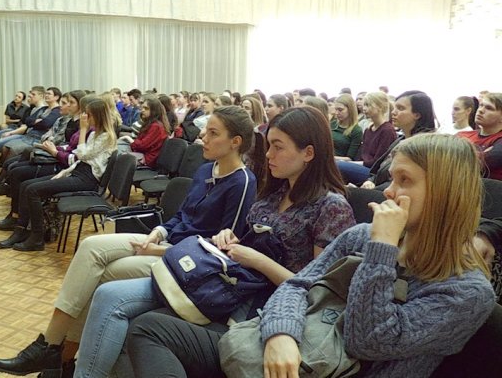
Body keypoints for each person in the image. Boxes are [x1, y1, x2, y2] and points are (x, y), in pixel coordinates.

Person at [127, 133, 495, 378]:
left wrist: (382, 250)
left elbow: (367, 341)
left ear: (445, 194)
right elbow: (296, 286)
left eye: (405, 181)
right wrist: (281, 335)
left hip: (335, 370)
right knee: (149, 328)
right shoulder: (361, 236)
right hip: (296, 343)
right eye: (392, 179)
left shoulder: (466, 291)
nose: (388, 191)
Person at [76, 106, 355, 378]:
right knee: (120, 312)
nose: (268, 154)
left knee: (141, 325)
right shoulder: (273, 195)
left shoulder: (331, 207)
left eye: (278, 147)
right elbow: (247, 244)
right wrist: (231, 239)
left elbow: (319, 293)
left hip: (265, 313)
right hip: (231, 287)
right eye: (269, 145)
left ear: (308, 153)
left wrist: (258, 260)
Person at [0, 106, 259, 377]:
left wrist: (159, 249)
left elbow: (220, 249)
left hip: (187, 261)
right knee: (90, 247)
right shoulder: (205, 170)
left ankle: (62, 356)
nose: (203, 137)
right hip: (167, 243)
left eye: (213, 133)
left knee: (105, 274)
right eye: (206, 131)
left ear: (235, 142)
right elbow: (181, 216)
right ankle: (49, 344)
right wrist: (159, 233)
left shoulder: (242, 182)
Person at [0, 95, 117, 251]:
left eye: (88, 115)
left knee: (33, 190)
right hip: (79, 172)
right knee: (26, 185)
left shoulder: (106, 136)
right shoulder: (95, 134)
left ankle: (36, 237)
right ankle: (20, 230)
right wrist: (64, 168)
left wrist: (83, 130)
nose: (84, 118)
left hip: (87, 179)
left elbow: (82, 155)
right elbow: (80, 158)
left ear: (98, 116)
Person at [359, 90, 437, 190]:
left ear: (417, 115)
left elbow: (403, 183)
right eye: (395, 107)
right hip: (379, 186)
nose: (393, 112)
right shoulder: (401, 140)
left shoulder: (422, 147)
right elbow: (377, 169)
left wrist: (371, 189)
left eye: (400, 108)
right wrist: (370, 181)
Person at [336, 91, 398, 185]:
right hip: (364, 166)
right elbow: (363, 155)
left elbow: (377, 163)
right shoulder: (368, 129)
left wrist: (351, 163)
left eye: (368, 105)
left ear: (380, 107)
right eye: (364, 105)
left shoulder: (387, 131)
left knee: (337, 165)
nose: (364, 108)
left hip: (373, 173)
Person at [457, 92, 502, 180]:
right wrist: (482, 154)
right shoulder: (462, 135)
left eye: (489, 108)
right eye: (481, 105)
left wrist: (459, 155)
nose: (480, 110)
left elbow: (488, 162)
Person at [117, 96, 170, 168]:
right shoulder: (150, 123)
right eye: (142, 108)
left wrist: (128, 138)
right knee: (114, 148)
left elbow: (141, 146)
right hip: (141, 153)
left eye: (146, 108)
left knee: (116, 153)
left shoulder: (156, 126)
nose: (142, 110)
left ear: (154, 111)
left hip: (146, 158)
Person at [330, 93, 363, 159]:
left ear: (350, 110)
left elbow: (350, 158)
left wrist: (331, 158)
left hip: (340, 162)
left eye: (340, 110)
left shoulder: (356, 131)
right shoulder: (332, 124)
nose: (336, 113)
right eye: (336, 109)